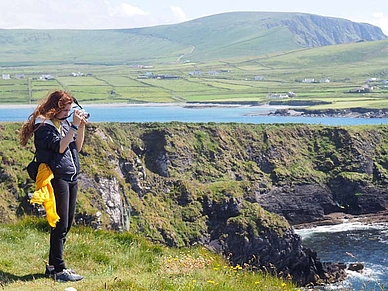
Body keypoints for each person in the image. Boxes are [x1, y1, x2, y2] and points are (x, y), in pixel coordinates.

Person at [19, 90, 88, 282]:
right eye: (64, 110)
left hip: (71, 175)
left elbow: (78, 146)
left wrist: (80, 126)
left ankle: (52, 266)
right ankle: (59, 270)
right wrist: (73, 124)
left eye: (69, 110)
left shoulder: (64, 122)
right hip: (57, 177)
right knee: (60, 224)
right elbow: (60, 147)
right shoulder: (43, 127)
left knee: (67, 223)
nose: (67, 113)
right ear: (54, 108)